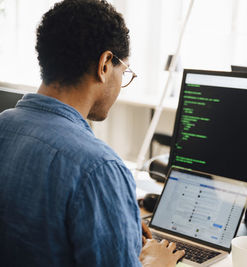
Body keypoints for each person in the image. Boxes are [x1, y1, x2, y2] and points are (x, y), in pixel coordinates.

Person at [0, 0, 184, 266]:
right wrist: (157, 262)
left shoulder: (4, 125)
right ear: (105, 63)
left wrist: (120, 217)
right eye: (125, 71)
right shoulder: (99, 168)